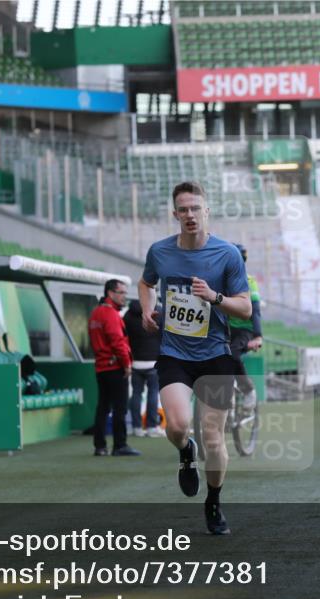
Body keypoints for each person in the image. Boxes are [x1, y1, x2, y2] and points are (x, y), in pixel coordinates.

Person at [138, 181, 252, 535]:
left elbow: (245, 309)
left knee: (214, 437)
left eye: (195, 208)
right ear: (175, 214)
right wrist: (147, 311)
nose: (190, 215)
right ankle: (185, 452)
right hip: (175, 352)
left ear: (207, 211)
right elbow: (146, 284)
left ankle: (214, 502)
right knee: (175, 426)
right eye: (183, 209)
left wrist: (215, 297)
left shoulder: (227, 254)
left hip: (216, 355)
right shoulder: (160, 252)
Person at [88, 279, 141, 456]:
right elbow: (118, 342)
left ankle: (100, 446)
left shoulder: (95, 313)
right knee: (120, 407)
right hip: (114, 367)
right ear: (111, 293)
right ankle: (120, 445)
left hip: (101, 367)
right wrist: (126, 364)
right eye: (122, 293)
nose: (125, 296)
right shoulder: (110, 315)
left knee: (102, 407)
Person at [227, 243, 263, 409]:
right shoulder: (221, 280)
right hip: (225, 328)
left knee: (233, 355)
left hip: (244, 330)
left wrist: (257, 336)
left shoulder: (249, 281)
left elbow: (255, 310)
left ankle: (248, 390)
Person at [123, 298, 165, 438]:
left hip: (135, 362)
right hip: (153, 361)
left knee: (136, 394)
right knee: (153, 394)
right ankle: (151, 427)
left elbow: (124, 337)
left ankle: (136, 427)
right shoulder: (158, 313)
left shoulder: (128, 315)